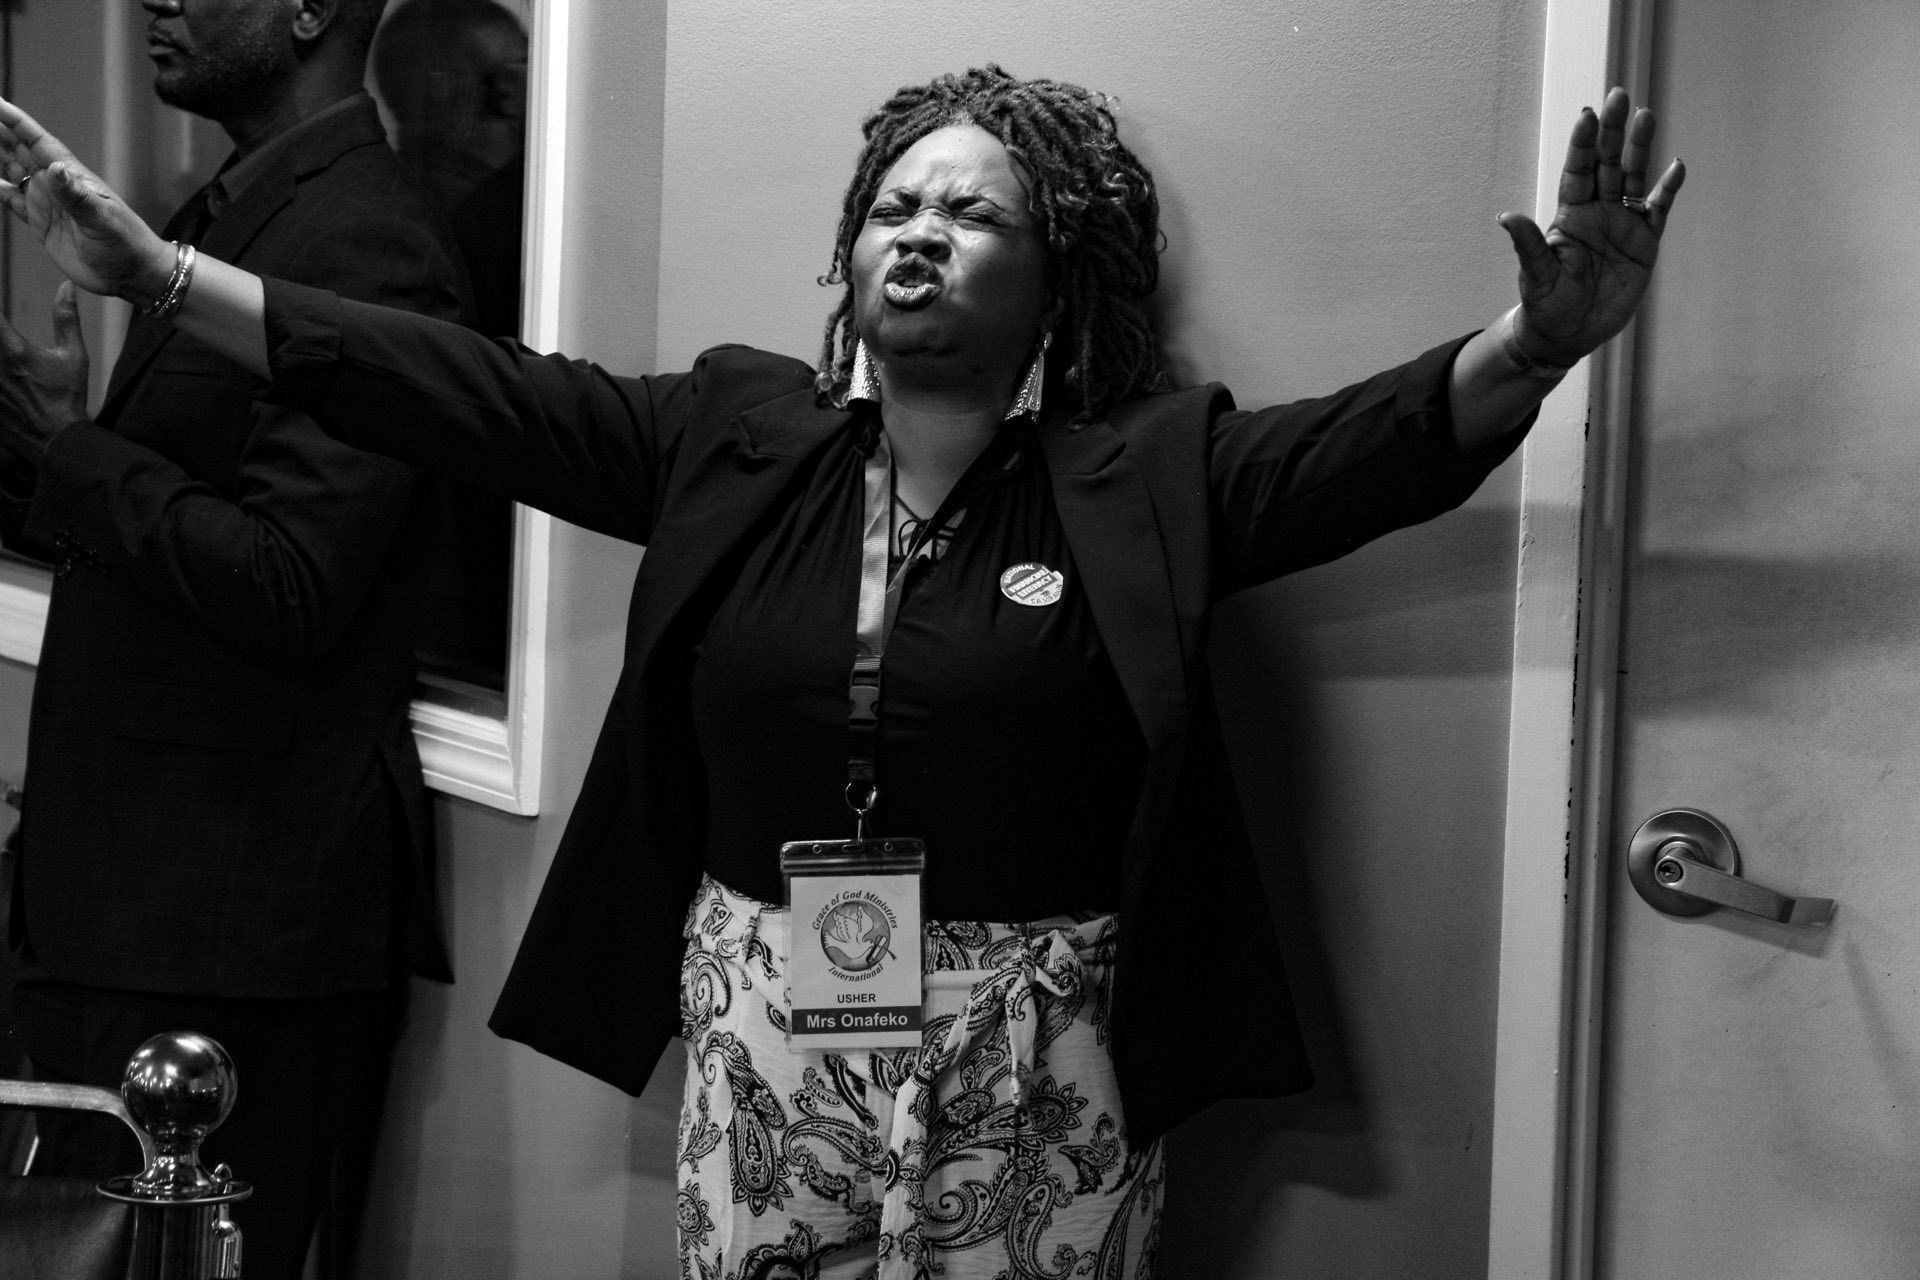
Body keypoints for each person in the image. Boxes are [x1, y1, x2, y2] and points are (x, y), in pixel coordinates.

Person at [0, 64, 1682, 1279]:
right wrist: (165, 279)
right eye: (894, 204)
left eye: (972, 211)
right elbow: (453, 387)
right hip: (766, 1022)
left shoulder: (1148, 477)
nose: (920, 231)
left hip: (1041, 1049)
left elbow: (1366, 453)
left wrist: (1534, 344)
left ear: (1055, 277)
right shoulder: (732, 437)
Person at [0, 0, 472, 1275]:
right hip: (129, 901)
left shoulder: (366, 239)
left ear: (310, 8)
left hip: (230, 928)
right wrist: (54, 442)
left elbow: (291, 581)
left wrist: (73, 450)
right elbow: (159, 545)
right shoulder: (223, 210)